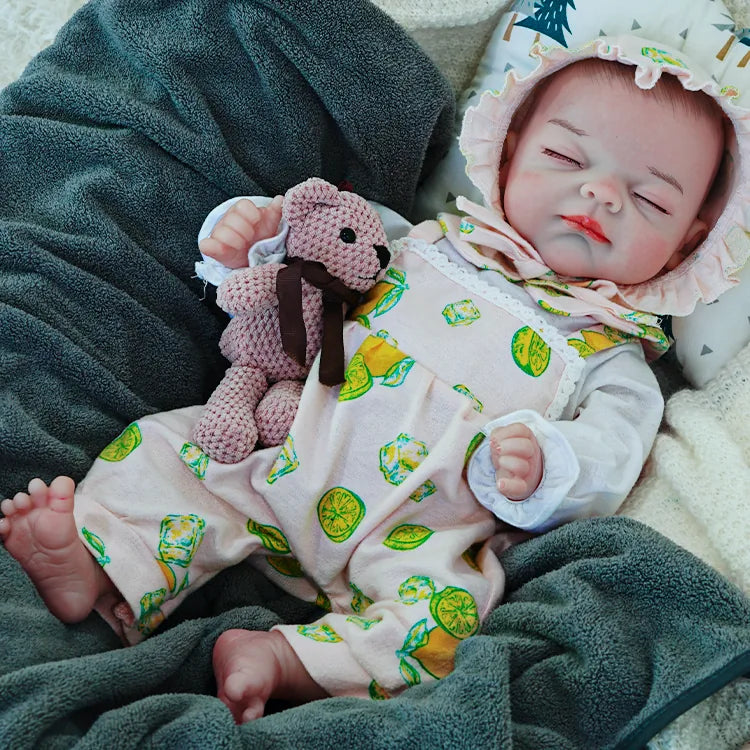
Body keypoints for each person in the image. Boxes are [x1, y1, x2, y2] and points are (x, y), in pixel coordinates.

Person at [1, 36, 746, 724]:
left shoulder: (615, 358)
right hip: (277, 449)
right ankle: (98, 555)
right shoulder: (418, 240)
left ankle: (288, 660)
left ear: (689, 241)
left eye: (650, 198)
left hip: (420, 535)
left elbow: (612, 460)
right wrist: (253, 239)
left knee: (451, 622)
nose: (600, 196)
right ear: (508, 154)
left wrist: (548, 464)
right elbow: (309, 267)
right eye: (565, 156)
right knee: (172, 447)